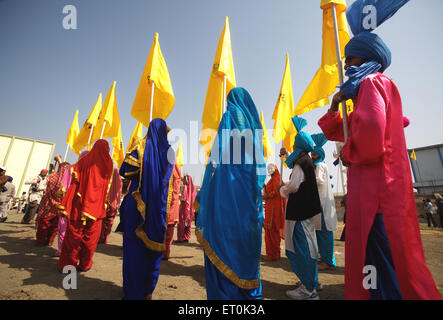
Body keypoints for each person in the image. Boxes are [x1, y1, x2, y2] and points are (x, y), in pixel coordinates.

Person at [318, 32, 441, 300]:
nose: (347, 64)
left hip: (377, 194)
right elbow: (341, 130)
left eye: (351, 57)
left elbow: (372, 133)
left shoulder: (372, 82)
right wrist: (335, 106)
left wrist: (349, 154)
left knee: (381, 266)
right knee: (381, 263)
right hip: (377, 192)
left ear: (368, 57)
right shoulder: (370, 87)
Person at [195, 87, 266, 300]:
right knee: (244, 247)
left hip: (227, 194)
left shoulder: (229, 116)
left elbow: (216, 158)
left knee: (222, 244)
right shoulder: (254, 128)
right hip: (248, 198)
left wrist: (206, 191)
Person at [120, 118, 174, 300]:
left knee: (134, 250)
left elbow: (125, 171)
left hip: (137, 205)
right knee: (154, 249)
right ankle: (147, 291)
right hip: (158, 207)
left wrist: (138, 145)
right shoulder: (170, 152)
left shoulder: (141, 146)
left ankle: (133, 293)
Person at [279, 116, 322, 301]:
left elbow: (294, 186)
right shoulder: (307, 161)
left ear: (298, 147)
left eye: (294, 146)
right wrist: (286, 155)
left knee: (303, 247)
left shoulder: (300, 163)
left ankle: (308, 290)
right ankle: (312, 282)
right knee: (310, 246)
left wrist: (283, 189)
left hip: (300, 212)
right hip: (307, 211)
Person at [58, 140, 113, 272]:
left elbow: (71, 174)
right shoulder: (108, 164)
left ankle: (68, 265)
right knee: (91, 239)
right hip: (97, 209)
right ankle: (85, 264)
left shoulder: (82, 162)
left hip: (80, 206)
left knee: (73, 237)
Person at [310, 133, 338, 271]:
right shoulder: (321, 165)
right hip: (320, 203)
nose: (312, 156)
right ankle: (325, 258)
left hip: (321, 204)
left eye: (314, 154)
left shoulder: (320, 165)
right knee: (321, 232)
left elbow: (318, 180)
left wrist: (306, 182)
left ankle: (328, 262)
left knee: (324, 233)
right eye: (312, 154)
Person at [55, 150, 89, 256]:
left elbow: (62, 188)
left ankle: (61, 250)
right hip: (82, 205)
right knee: (77, 229)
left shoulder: (71, 168)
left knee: (63, 226)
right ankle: (73, 251)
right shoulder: (90, 171)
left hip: (68, 201)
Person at [35, 161, 71, 246]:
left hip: (48, 206)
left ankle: (40, 241)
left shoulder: (52, 177)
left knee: (44, 224)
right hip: (60, 207)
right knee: (55, 226)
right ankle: (50, 241)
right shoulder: (68, 181)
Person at [262, 164, 285, 261]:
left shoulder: (276, 179)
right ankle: (272, 253)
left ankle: (273, 254)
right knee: (270, 232)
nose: (269, 170)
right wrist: (265, 187)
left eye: (271, 168)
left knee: (272, 232)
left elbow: (276, 192)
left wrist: (267, 196)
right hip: (270, 207)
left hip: (273, 210)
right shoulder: (273, 179)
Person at [98, 168, 123, 244]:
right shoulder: (120, 183)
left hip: (107, 204)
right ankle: (106, 238)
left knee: (103, 221)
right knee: (110, 222)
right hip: (114, 206)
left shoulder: (109, 182)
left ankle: (101, 238)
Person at [162, 163, 181, 259]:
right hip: (170, 209)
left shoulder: (168, 173)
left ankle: (164, 253)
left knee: (166, 234)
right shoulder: (176, 177)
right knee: (168, 234)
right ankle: (165, 253)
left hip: (168, 208)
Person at [176, 174, 197, 244]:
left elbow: (183, 199)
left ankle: (180, 238)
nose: (183, 180)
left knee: (181, 224)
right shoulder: (193, 189)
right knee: (188, 224)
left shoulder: (185, 188)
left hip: (184, 208)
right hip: (190, 209)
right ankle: (186, 237)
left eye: (184, 179)